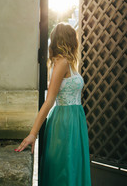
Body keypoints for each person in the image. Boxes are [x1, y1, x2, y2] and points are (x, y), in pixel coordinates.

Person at [15, 23, 91, 185]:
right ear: (69, 39)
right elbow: (49, 100)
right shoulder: (62, 63)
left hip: (75, 119)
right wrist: (33, 134)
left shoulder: (68, 62)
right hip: (65, 121)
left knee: (73, 166)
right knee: (64, 169)